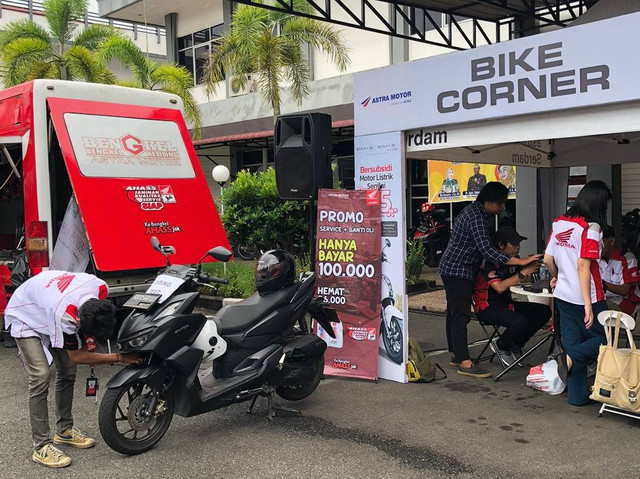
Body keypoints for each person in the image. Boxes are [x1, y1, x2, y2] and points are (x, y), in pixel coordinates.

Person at [4, 271, 141, 468]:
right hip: (25, 314)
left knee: (68, 370)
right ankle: (41, 446)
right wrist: (119, 357)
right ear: (79, 322)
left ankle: (64, 431)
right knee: (41, 375)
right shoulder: (66, 315)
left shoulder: (101, 288)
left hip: (46, 303)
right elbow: (77, 356)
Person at [439, 182, 541, 378]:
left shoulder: (475, 212)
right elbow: (486, 249)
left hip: (454, 267)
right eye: (501, 203)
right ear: (488, 202)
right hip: (458, 269)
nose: (503, 207)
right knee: (460, 315)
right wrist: (521, 262)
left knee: (453, 313)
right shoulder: (475, 216)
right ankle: (464, 362)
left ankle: (456, 354)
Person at [544, 180, 611, 406]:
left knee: (573, 342)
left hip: (562, 294)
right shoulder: (592, 228)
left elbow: (547, 260)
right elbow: (584, 265)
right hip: (588, 296)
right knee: (604, 339)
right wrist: (588, 304)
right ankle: (568, 359)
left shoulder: (560, 223)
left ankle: (577, 396)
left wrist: (556, 276)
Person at [472, 226, 552, 366]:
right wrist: (523, 273)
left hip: (507, 303)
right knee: (520, 321)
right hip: (487, 306)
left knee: (543, 311)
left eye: (519, 244)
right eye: (514, 245)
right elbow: (500, 287)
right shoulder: (488, 262)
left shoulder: (516, 260)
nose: (518, 248)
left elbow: (523, 280)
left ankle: (515, 344)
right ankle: (501, 345)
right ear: (501, 245)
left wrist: (533, 270)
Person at [599, 224, 640, 314]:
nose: (598, 246)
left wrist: (602, 284)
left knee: (598, 308)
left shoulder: (627, 257)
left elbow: (625, 290)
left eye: (601, 242)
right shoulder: (594, 259)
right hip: (603, 300)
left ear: (612, 241)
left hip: (626, 304)